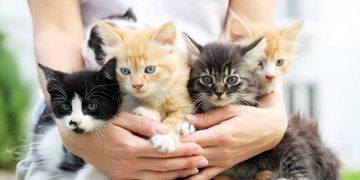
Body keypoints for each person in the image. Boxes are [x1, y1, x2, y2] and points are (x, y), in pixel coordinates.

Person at [18, 0, 286, 179]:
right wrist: (76, 129)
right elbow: (56, 28)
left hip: (208, 103)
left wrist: (273, 120)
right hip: (94, 111)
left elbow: (256, 41)